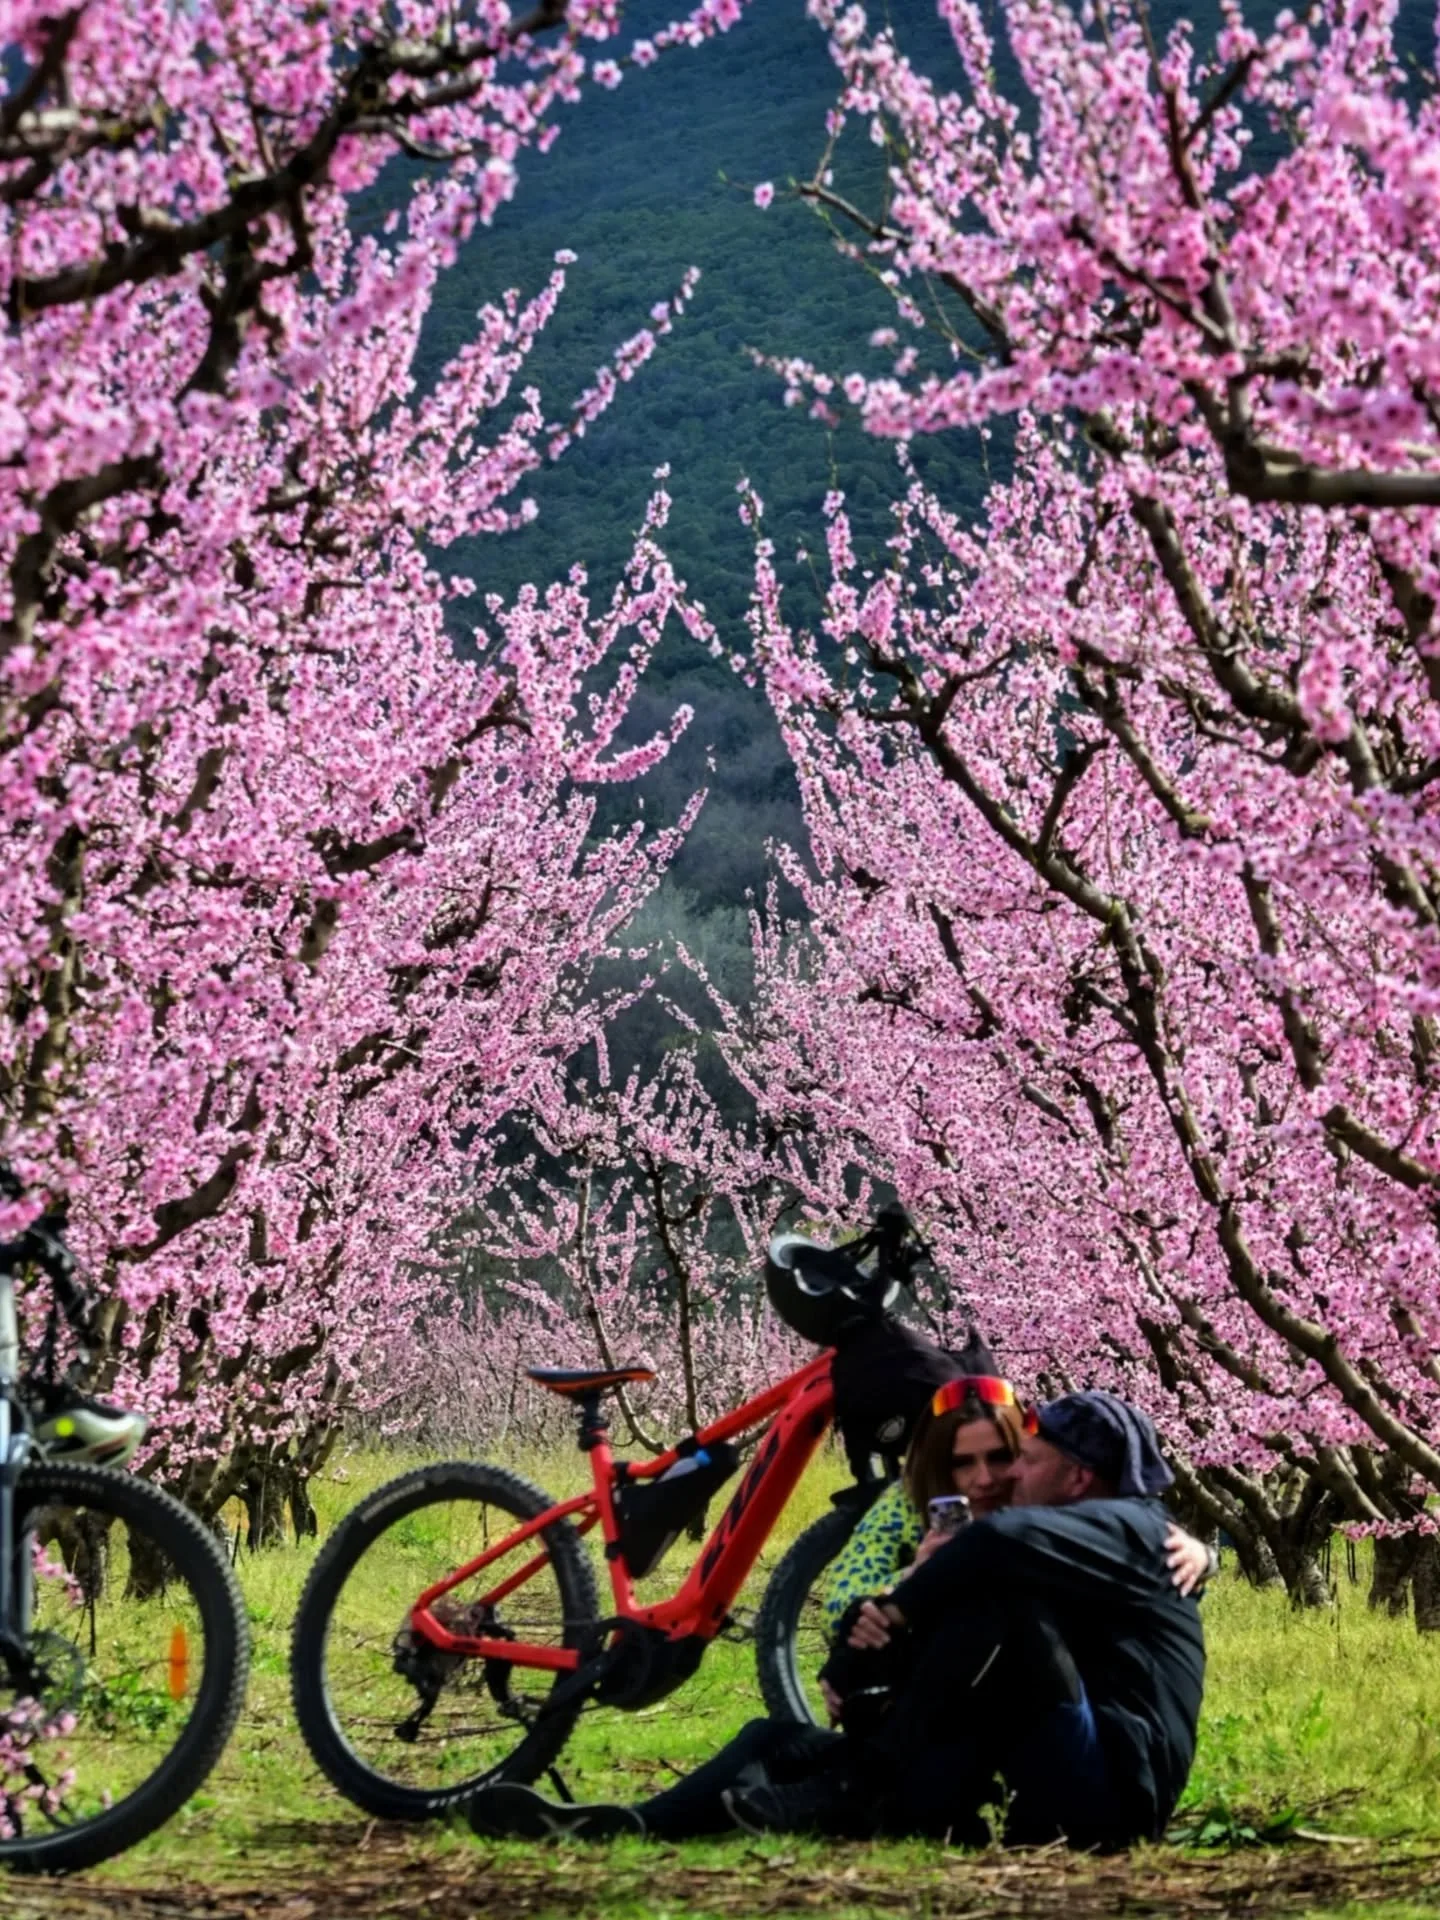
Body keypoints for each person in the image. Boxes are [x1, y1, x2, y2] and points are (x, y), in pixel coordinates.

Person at [467, 1387, 1208, 1849]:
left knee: (996, 1600)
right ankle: (637, 1825)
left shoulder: (1136, 1528)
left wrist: (903, 1604)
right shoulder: (1057, 1532)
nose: (1006, 1474)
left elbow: (995, 1551)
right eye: (975, 1464)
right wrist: (861, 1657)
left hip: (1113, 1790)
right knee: (774, 1739)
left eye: (1027, 1459)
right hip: (1023, 1762)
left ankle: (862, 1788)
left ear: (1079, 1475)